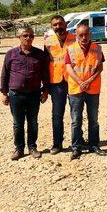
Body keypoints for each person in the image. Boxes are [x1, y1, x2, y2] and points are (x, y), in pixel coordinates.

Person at [0, 27, 49, 160]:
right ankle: (19, 149)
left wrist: (45, 91)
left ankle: (32, 147)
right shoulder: (11, 54)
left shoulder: (39, 54)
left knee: (33, 122)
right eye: (25, 36)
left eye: (31, 36)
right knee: (18, 123)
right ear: (19, 37)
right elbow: (5, 74)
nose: (28, 38)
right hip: (16, 95)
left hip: (33, 94)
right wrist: (4, 93)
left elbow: (45, 75)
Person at [65, 24, 105, 159]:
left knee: (93, 119)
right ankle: (76, 147)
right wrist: (80, 82)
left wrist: (89, 80)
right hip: (76, 89)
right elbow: (69, 68)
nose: (83, 37)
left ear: (90, 34)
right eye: (80, 35)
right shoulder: (70, 49)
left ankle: (94, 144)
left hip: (93, 88)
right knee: (76, 120)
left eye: (86, 34)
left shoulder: (97, 48)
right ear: (76, 35)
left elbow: (100, 67)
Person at [43, 15, 76, 154]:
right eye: (55, 25)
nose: (58, 27)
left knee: (76, 113)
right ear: (52, 27)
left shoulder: (75, 39)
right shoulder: (48, 42)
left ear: (66, 24)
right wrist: (45, 85)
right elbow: (45, 63)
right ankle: (57, 143)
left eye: (60, 24)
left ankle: (78, 141)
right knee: (57, 115)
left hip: (73, 81)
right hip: (56, 83)